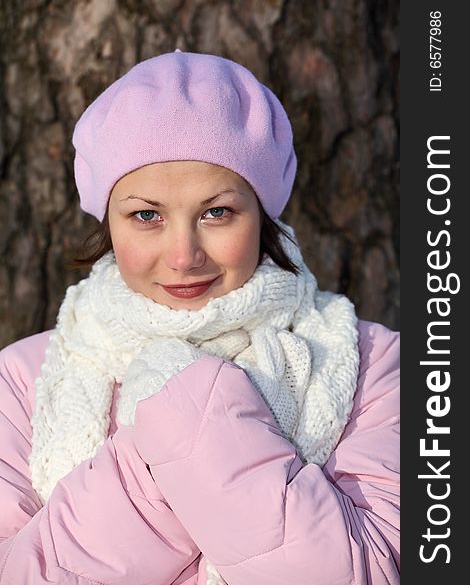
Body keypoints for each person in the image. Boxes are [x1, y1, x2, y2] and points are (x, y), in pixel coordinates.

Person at [0, 50, 399, 584]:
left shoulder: (374, 366)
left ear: (263, 214)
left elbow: (376, 570)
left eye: (217, 212)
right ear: (108, 223)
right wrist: (170, 447)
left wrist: (191, 416)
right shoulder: (22, 383)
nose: (185, 255)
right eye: (147, 215)